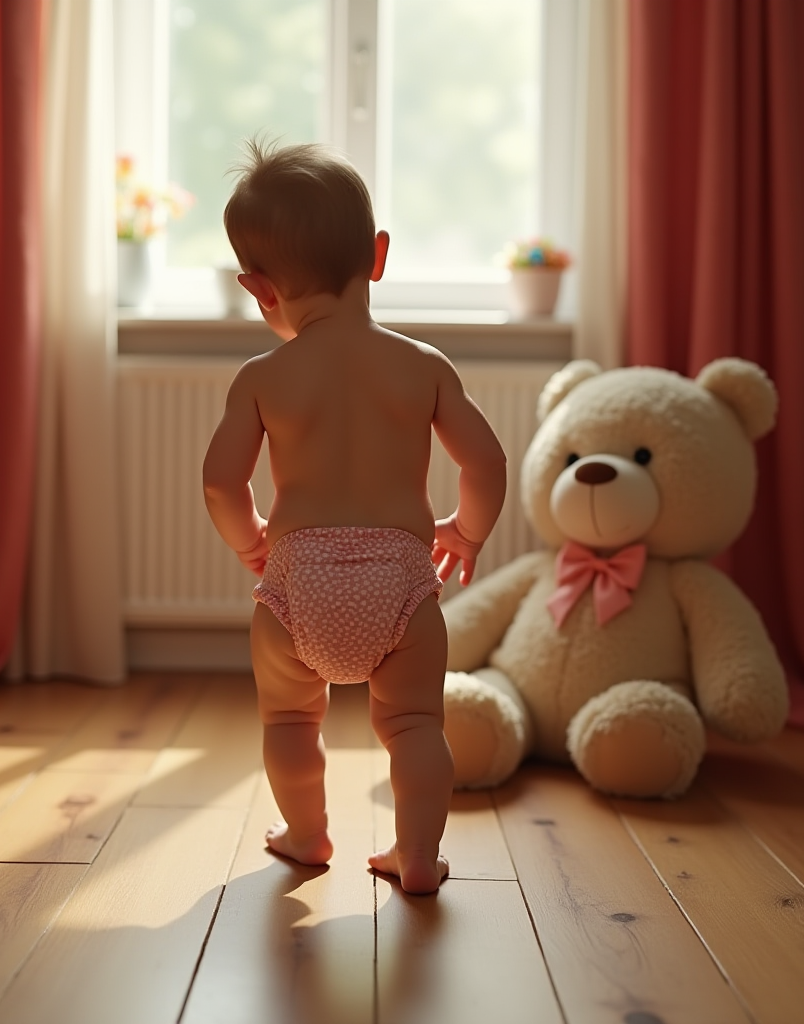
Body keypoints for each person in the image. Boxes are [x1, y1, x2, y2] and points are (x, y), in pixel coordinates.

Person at [202, 139, 506, 894]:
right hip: (400, 585)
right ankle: (415, 857)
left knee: (289, 724)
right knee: (413, 729)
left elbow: (219, 482)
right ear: (377, 255)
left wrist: (251, 546)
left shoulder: (263, 377)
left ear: (258, 288)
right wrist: (465, 531)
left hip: (295, 584)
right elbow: (486, 463)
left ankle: (306, 836)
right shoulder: (424, 365)